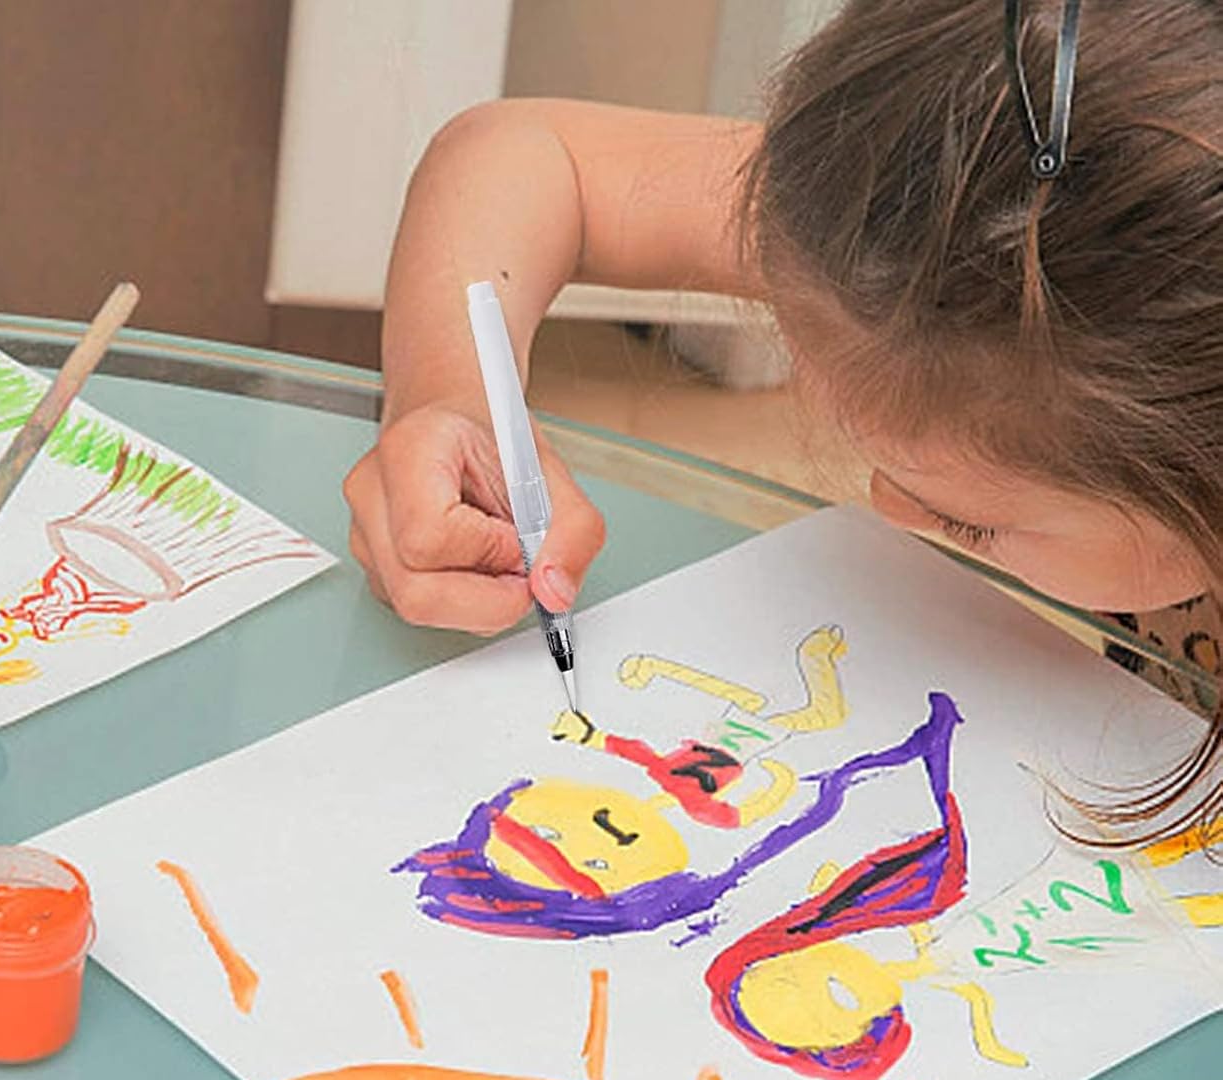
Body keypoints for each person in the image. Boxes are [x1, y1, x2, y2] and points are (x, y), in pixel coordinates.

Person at [342, 0, 1222, 827]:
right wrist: (454, 399)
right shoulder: (962, 233)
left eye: (970, 522)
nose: (884, 508)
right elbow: (529, 155)